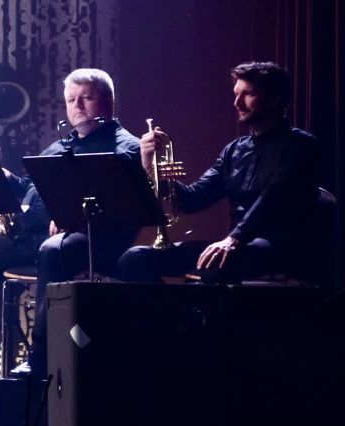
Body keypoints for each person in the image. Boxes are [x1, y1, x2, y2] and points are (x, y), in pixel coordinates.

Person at [0, 69, 147, 377]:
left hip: (92, 241)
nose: (78, 107)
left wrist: (70, 215)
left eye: (86, 98)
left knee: (52, 250)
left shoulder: (126, 147)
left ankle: (41, 354)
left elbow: (123, 208)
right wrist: (6, 180)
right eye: (71, 100)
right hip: (31, 239)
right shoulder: (59, 147)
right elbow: (36, 193)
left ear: (108, 102)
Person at [119, 61, 326, 284]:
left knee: (213, 268)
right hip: (234, 246)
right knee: (134, 258)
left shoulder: (301, 145)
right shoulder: (234, 150)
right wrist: (150, 166)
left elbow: (273, 198)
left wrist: (234, 239)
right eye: (236, 94)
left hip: (279, 246)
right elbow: (193, 200)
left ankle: (185, 316)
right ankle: (172, 317)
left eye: (247, 95)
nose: (237, 102)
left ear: (274, 99)